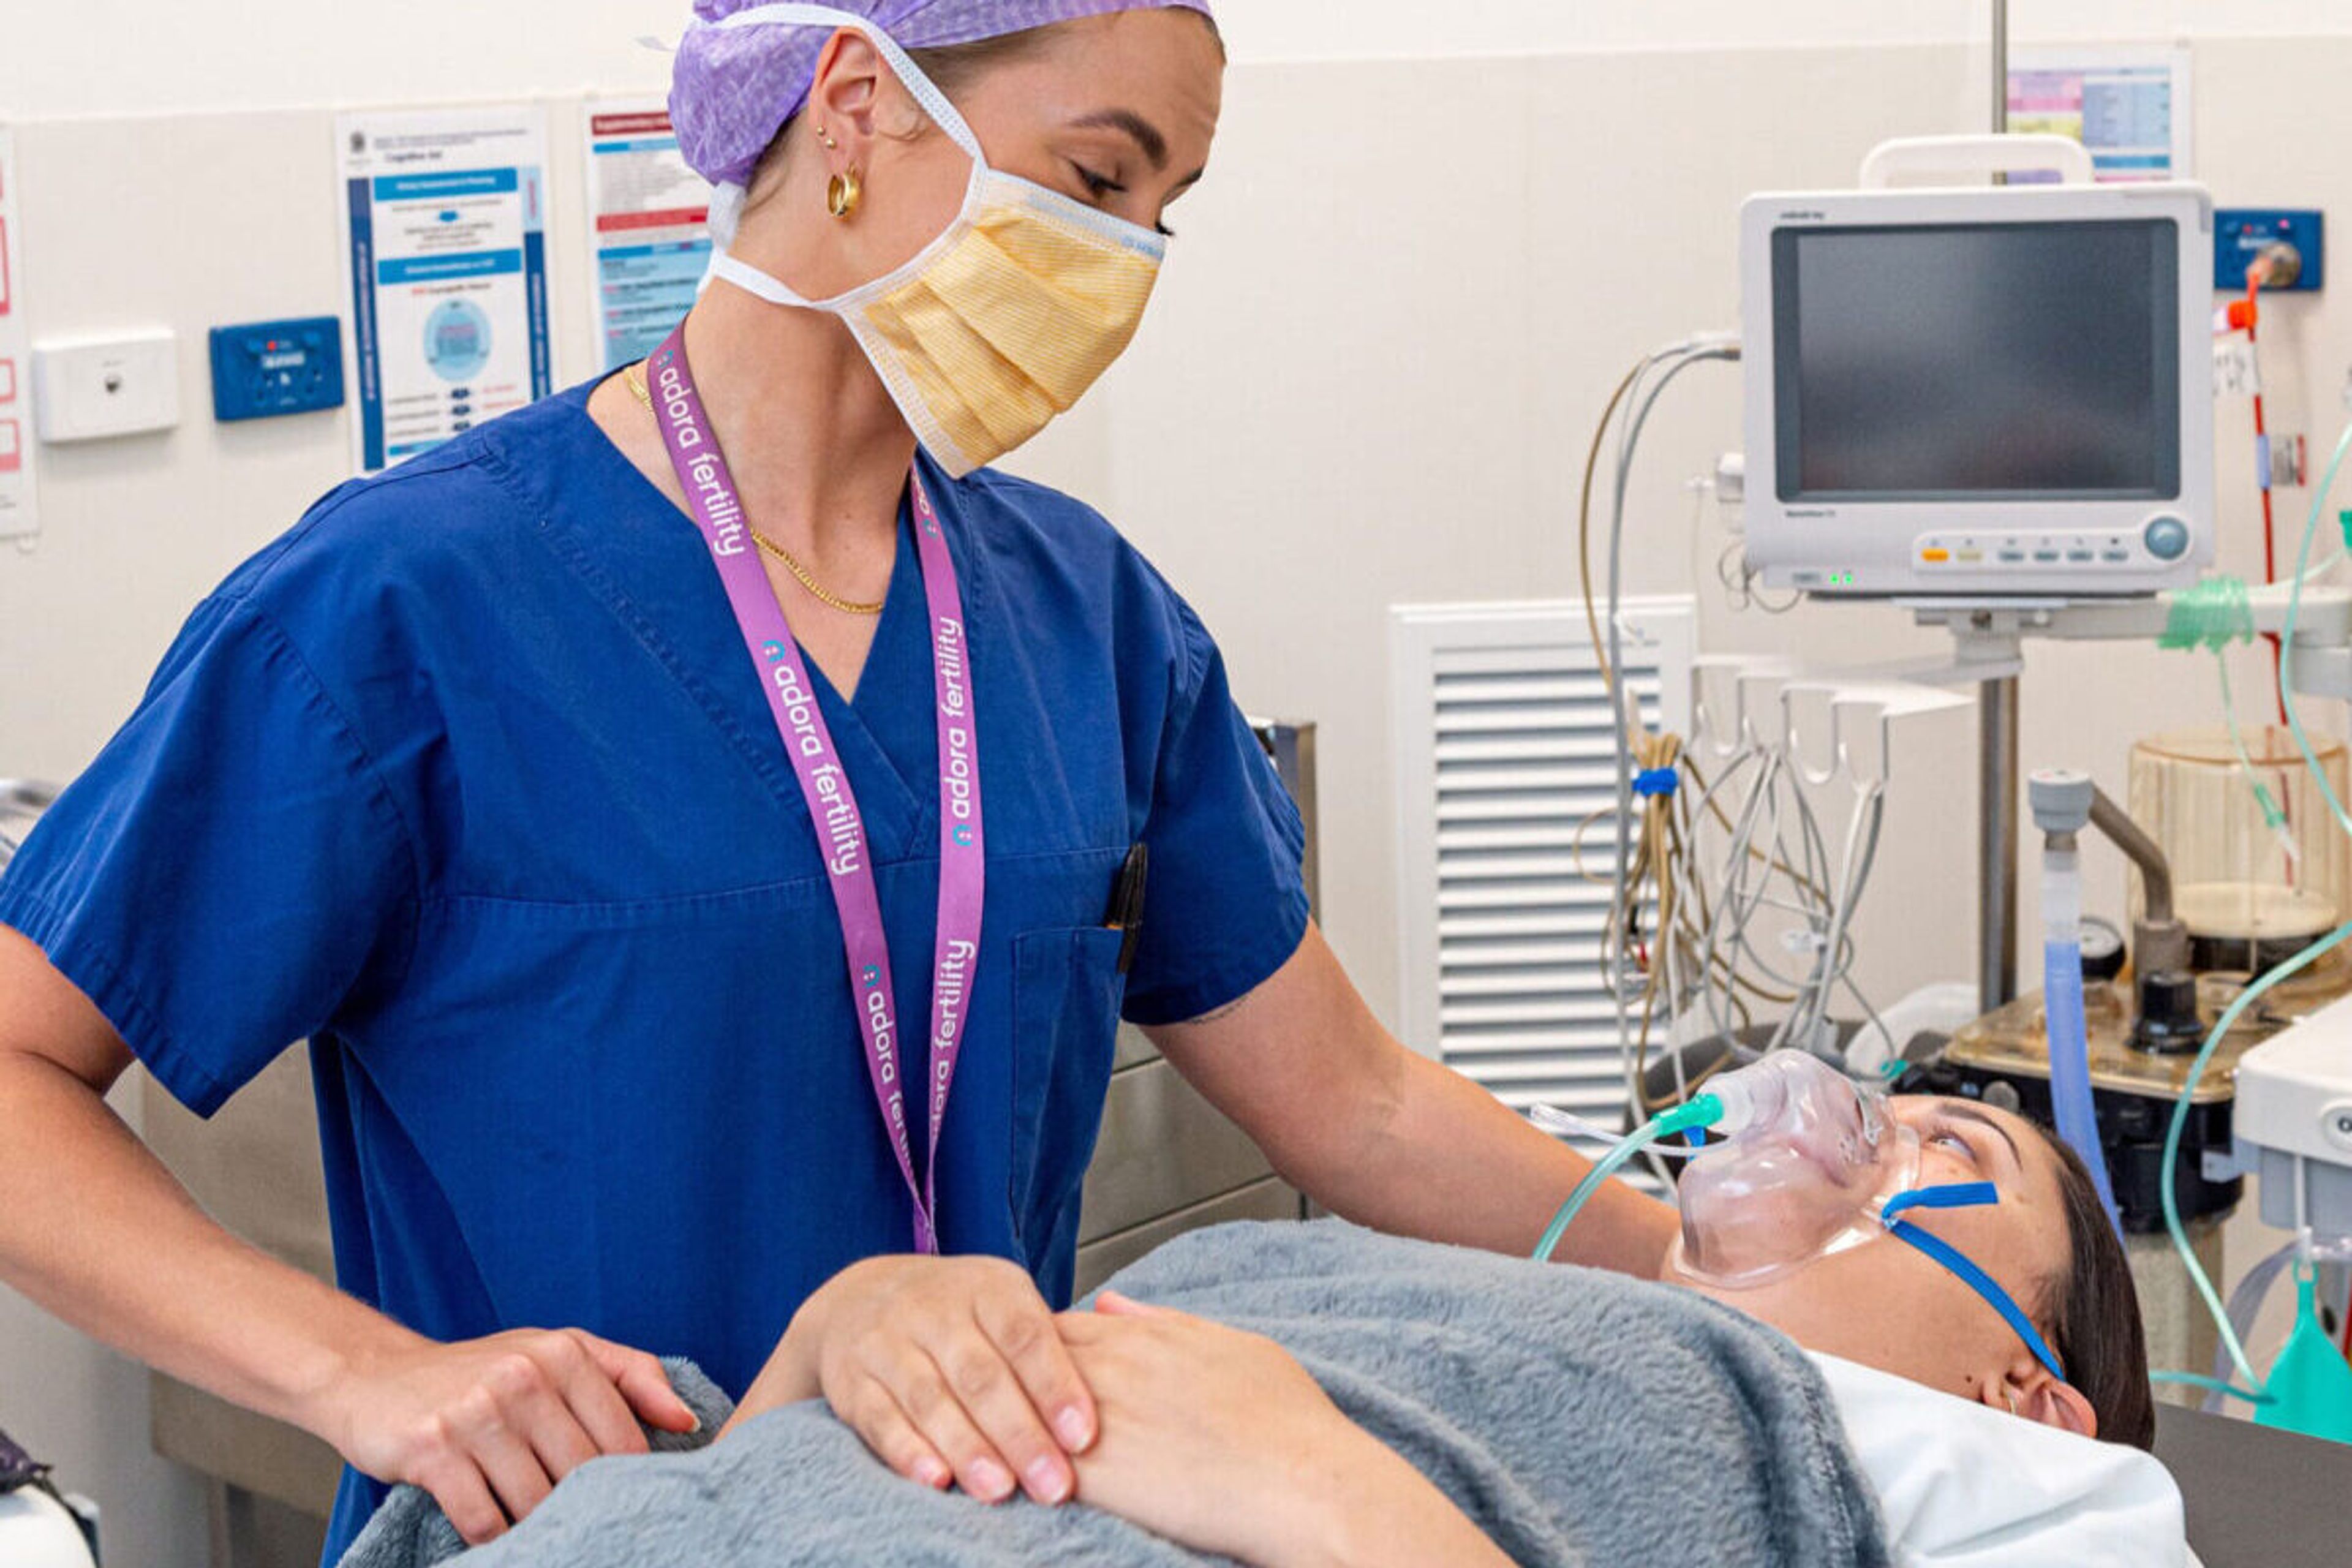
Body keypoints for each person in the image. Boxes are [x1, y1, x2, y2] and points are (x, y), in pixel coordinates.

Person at [0, 4, 1677, 1561]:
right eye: (1098, 178)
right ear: (858, 105)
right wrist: (358, 1375)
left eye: (1165, 209)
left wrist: (1746, 1261)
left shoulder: (1087, 624)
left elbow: (1363, 1106)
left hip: (973, 1531)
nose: (1128, 258)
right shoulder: (404, 608)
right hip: (589, 1537)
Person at [336, 1091, 2170, 1567]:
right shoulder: (1450, 1290)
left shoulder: (2002, 1491)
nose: (1842, 1119)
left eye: (1950, 1147)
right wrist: (845, 1331)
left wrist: (1328, 1498)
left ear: (2032, 1387)